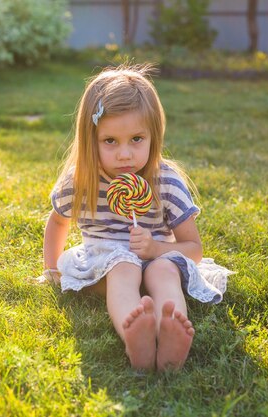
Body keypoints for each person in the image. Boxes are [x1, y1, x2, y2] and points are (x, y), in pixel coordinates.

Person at [42, 64, 232, 372]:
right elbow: (58, 221)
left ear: (154, 136)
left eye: (136, 139)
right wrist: (51, 269)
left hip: (159, 259)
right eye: (110, 141)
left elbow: (193, 249)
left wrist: (157, 249)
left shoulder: (165, 181)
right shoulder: (80, 182)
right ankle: (135, 336)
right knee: (124, 267)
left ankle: (168, 332)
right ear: (91, 139)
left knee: (164, 272)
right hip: (104, 266)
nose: (125, 154)